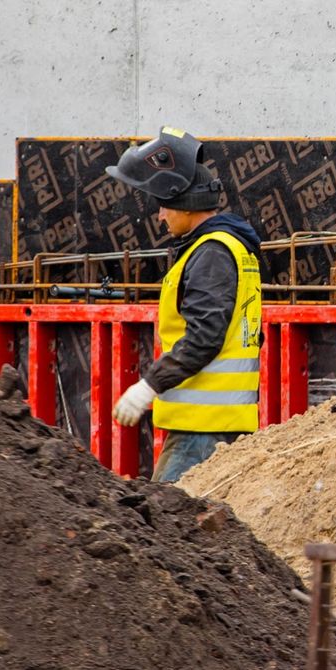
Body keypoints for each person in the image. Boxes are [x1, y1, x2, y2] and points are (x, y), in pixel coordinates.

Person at [106, 128, 264, 483]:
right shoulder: (226, 247)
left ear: (183, 201)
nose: (160, 215)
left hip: (204, 431)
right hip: (213, 426)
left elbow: (205, 337)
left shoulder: (212, 253)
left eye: (163, 205)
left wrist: (148, 385)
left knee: (163, 527)